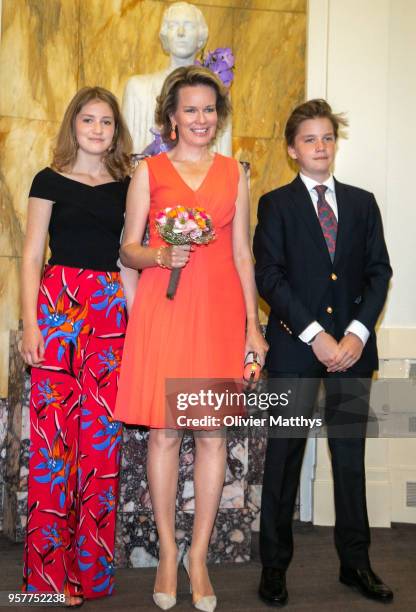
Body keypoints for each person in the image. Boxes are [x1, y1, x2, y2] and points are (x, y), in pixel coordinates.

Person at [114, 65, 267, 611]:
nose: (201, 119)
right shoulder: (149, 171)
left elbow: (243, 254)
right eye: (190, 110)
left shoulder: (235, 173)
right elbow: (126, 249)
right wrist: (158, 254)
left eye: (209, 110)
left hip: (220, 315)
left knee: (210, 436)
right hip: (166, 312)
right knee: (163, 436)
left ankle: (198, 557)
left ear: (217, 117)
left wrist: (253, 326)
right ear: (171, 117)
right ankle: (166, 550)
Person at [253, 99, 393, 606]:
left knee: (350, 460)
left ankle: (356, 565)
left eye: (327, 138)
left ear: (336, 143)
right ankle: (274, 568)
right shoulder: (275, 204)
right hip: (294, 352)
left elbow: (380, 272)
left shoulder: (362, 203)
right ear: (293, 149)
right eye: (309, 139)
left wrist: (356, 333)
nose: (320, 146)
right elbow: (269, 276)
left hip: (353, 355)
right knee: (283, 461)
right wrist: (317, 335)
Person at [20, 87, 136, 606]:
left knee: (100, 449)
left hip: (110, 315)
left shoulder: (129, 188)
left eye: (106, 121)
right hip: (57, 314)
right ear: (73, 125)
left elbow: (130, 261)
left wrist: (140, 327)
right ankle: (46, 581)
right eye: (87, 119)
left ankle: (90, 577)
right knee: (53, 449)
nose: (96, 128)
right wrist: (29, 324)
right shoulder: (47, 180)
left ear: (116, 130)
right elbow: (29, 257)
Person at [122, 1, 232, 156]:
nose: (181, 32)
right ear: (165, 35)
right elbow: (127, 157)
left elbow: (224, 156)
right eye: (173, 25)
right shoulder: (138, 88)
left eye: (189, 26)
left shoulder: (217, 91)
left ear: (200, 37)